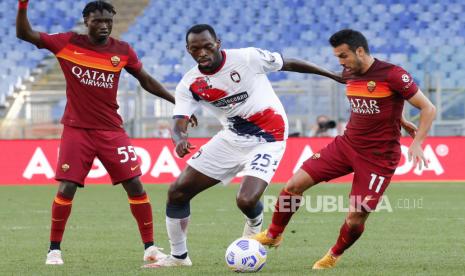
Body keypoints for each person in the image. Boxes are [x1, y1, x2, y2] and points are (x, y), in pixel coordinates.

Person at [143, 24, 343, 268]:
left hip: (269, 137)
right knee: (177, 192)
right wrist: (179, 139)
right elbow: (178, 122)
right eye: (195, 49)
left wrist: (331, 74)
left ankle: (255, 223)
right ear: (188, 50)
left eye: (207, 46)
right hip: (231, 138)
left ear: (218, 42)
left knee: (246, 200)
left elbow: (288, 63)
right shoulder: (190, 83)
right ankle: (178, 257)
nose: (202, 52)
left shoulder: (247, 58)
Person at [16, 0, 194, 265]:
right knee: (67, 187)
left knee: (134, 184)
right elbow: (25, 34)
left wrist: (178, 104)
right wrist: (22, 6)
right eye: (98, 21)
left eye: (109, 21)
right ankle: (54, 250)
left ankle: (150, 248)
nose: (104, 26)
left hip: (112, 130)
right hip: (77, 130)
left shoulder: (122, 51)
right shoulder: (67, 43)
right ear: (86, 21)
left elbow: (145, 80)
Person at [253, 29, 436, 270]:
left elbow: (428, 108)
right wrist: (400, 119)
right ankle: (274, 233)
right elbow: (382, 101)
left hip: (378, 158)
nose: (340, 63)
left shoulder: (394, 74)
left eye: (343, 56)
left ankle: (334, 254)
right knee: (293, 185)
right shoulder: (350, 72)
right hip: (347, 145)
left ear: (359, 51)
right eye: (338, 57)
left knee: (356, 215)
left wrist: (417, 142)